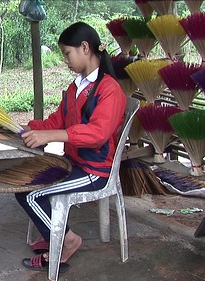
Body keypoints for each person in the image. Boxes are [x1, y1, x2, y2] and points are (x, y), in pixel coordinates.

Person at [16, 22, 127, 271]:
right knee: (23, 187)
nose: (66, 60)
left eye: (67, 53)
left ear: (85, 48)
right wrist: (29, 129)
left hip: (95, 172)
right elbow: (58, 120)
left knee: (33, 195)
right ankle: (53, 233)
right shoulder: (76, 87)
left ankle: (67, 240)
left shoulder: (110, 90)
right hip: (74, 164)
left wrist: (52, 136)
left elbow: (97, 134)